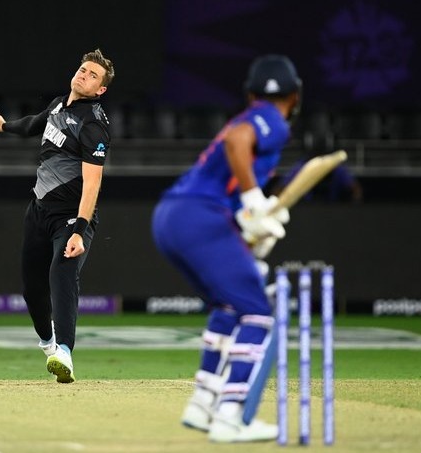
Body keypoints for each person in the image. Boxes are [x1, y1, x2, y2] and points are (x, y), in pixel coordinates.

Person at [151, 54, 301, 443]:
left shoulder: (251, 117)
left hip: (172, 216)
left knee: (231, 305)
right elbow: (238, 141)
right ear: (295, 96)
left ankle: (203, 405)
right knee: (258, 311)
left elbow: (232, 190)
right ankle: (231, 416)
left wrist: (254, 232)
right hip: (200, 215)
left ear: (250, 92)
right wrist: (254, 199)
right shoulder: (272, 119)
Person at [0, 49, 114, 384]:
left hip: (71, 217)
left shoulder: (93, 125)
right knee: (32, 289)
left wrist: (80, 229)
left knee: (62, 274)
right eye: (83, 69)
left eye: (93, 75)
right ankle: (48, 343)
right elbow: (33, 124)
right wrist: (2, 125)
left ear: (100, 90)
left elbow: (93, 183)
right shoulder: (58, 105)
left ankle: (64, 352)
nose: (84, 75)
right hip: (38, 210)